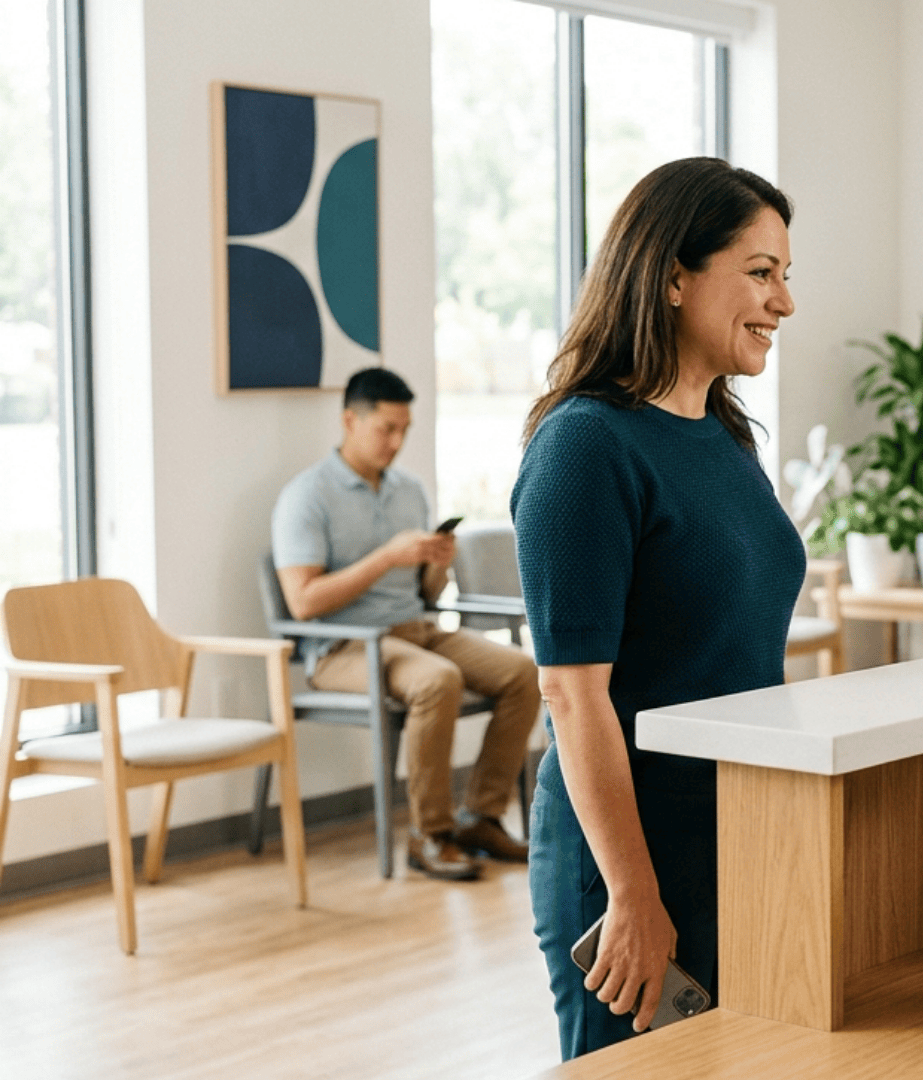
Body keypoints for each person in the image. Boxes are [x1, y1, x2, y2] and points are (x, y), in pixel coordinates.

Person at [511, 157, 803, 1059]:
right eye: (761, 272)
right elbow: (572, 696)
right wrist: (633, 894)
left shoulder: (724, 433)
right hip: (628, 854)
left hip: (732, 830)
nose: (783, 303)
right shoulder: (584, 448)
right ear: (672, 275)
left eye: (786, 276)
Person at [271, 367, 542, 882]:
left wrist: (436, 563)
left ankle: (480, 817)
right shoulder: (306, 497)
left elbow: (424, 594)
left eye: (404, 430)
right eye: (386, 429)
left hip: (416, 629)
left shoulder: (408, 491)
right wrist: (386, 557)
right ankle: (429, 835)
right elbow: (303, 603)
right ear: (350, 420)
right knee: (437, 682)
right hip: (346, 647)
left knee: (524, 674)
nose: (396, 442)